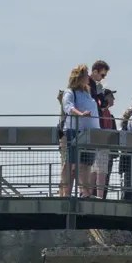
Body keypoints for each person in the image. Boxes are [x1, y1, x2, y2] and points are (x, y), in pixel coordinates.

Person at [58, 64, 98, 197]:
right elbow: (68, 107)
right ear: (79, 77)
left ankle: (85, 192)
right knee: (70, 163)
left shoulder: (87, 92)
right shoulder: (70, 92)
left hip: (89, 133)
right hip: (75, 131)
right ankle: (65, 192)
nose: (88, 77)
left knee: (86, 164)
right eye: (86, 74)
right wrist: (80, 114)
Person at [90, 88, 117, 198]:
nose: (113, 99)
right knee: (100, 171)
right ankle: (98, 196)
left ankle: (89, 194)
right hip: (102, 143)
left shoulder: (106, 112)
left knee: (95, 170)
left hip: (99, 144)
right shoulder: (102, 110)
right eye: (111, 96)